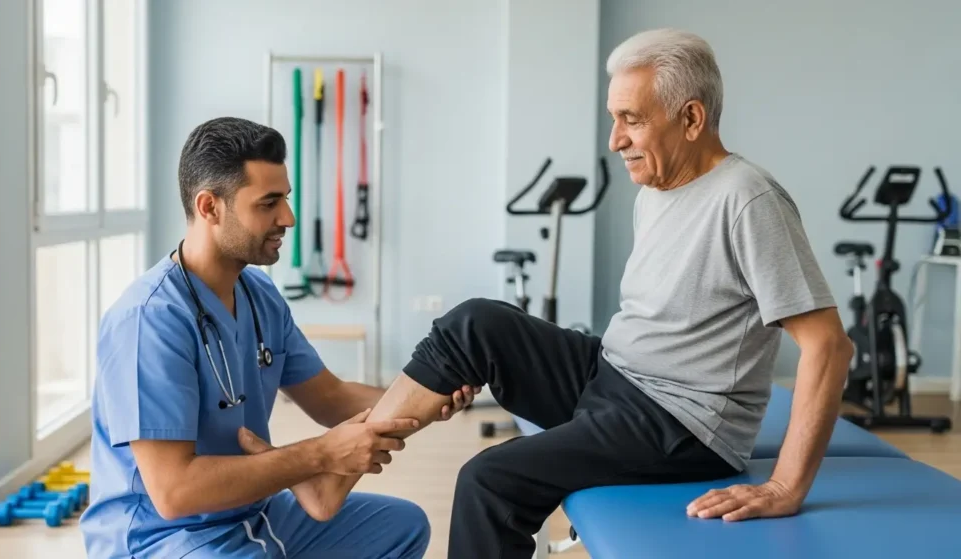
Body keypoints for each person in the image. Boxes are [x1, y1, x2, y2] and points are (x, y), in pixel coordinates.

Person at [270, 28, 856, 558]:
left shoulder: (748, 200)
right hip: (615, 375)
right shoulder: (656, 187)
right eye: (614, 118)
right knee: (474, 321)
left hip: (682, 423)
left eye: (631, 119)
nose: (614, 139)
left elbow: (829, 346)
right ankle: (332, 474)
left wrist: (784, 485)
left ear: (692, 118)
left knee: (488, 482)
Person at [79, 116, 480, 558]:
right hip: (165, 537)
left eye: (285, 199)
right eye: (268, 203)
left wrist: (422, 396)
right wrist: (318, 458)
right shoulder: (148, 320)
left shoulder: (259, 295)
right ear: (210, 207)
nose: (287, 218)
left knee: (402, 527)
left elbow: (331, 398)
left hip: (251, 511)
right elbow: (175, 493)